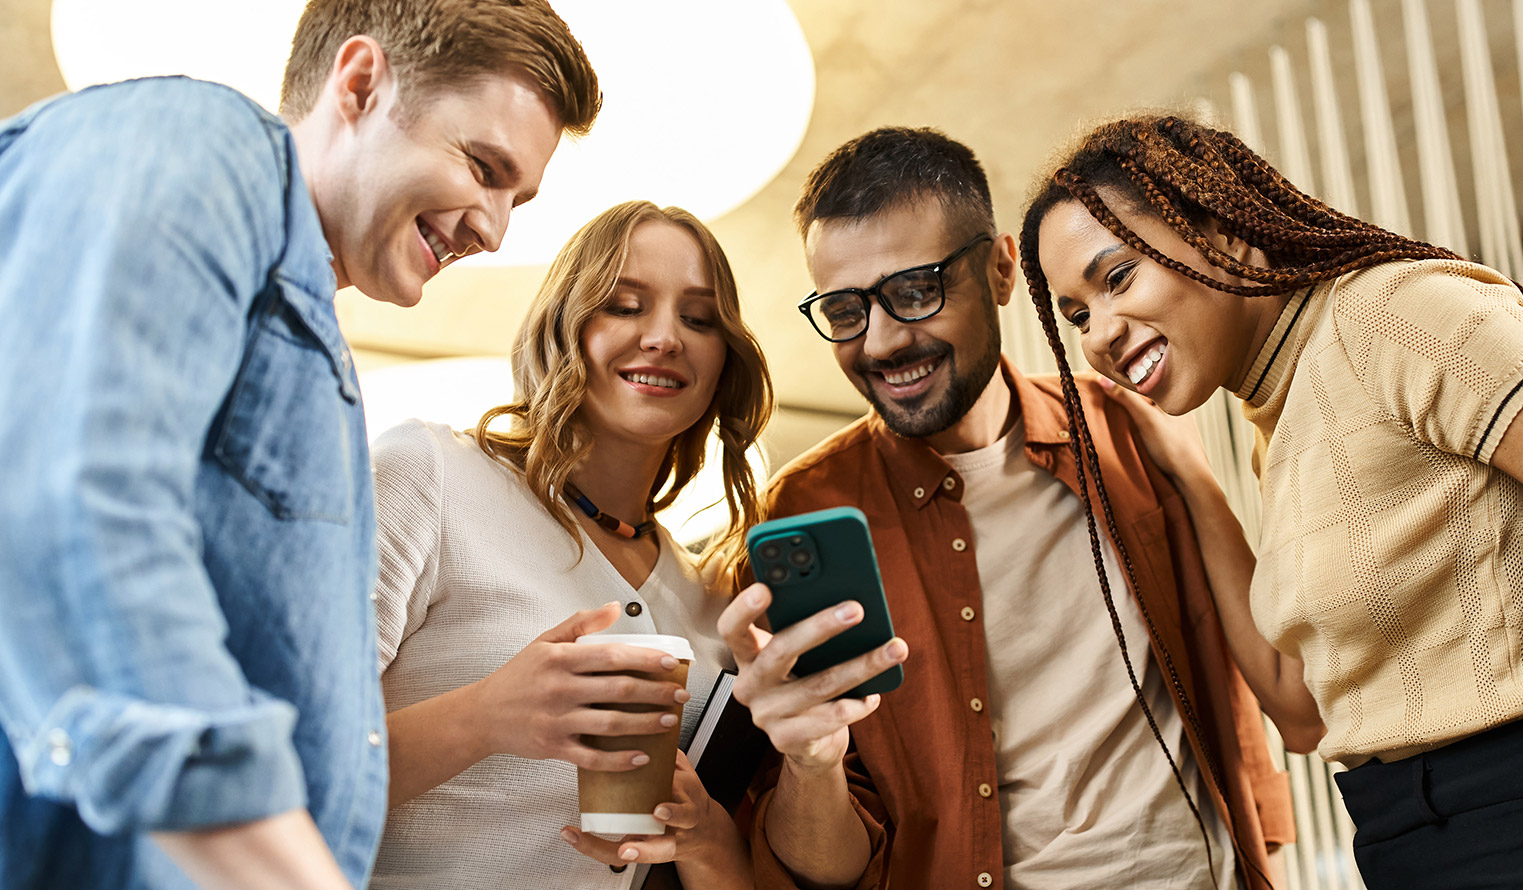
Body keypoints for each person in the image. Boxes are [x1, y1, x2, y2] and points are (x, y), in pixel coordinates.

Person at [1019, 113, 1523, 888]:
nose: (1097, 333)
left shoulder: (1400, 316)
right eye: (1076, 315)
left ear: (1223, 230)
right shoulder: (1284, 411)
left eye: (1116, 277)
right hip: (1404, 843)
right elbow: (1301, 710)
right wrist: (1193, 479)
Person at [0, 2, 598, 888]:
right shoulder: (195, 141)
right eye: (483, 168)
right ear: (360, 84)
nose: (495, 228)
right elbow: (71, 524)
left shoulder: (318, 357)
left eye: (517, 197)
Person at [714, 126, 1299, 890]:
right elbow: (830, 874)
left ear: (998, 270)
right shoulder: (802, 511)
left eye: (915, 291)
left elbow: (1233, 689)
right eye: (845, 309)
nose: (882, 341)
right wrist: (806, 760)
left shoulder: (1124, 431)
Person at [368, 201, 767, 890]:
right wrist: (484, 716)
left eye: (699, 319)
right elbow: (273, 771)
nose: (665, 337)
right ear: (564, 325)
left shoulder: (709, 602)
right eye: (624, 305)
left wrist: (704, 836)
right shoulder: (428, 476)